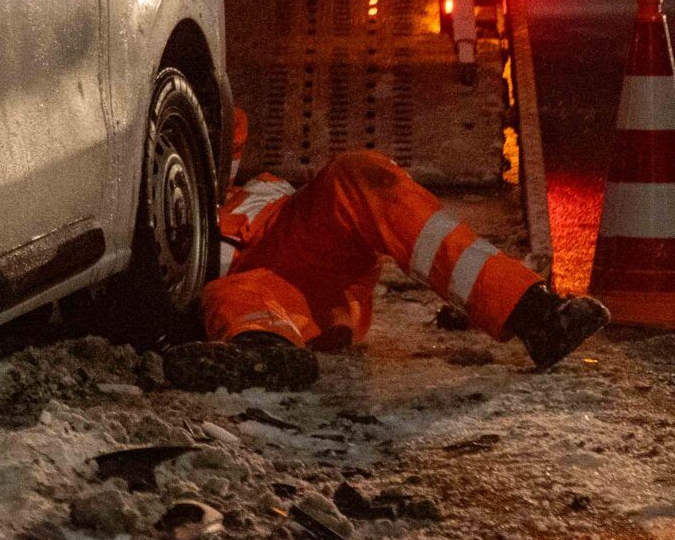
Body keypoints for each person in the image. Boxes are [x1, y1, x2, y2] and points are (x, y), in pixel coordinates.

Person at [193, 112, 608, 372]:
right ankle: (265, 356)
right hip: (255, 286)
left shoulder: (245, 187)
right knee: (230, 296)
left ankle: (532, 313)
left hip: (291, 236)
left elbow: (227, 121)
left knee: (358, 174)